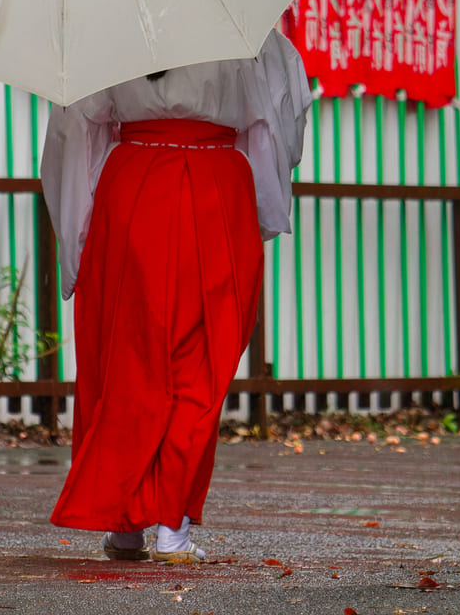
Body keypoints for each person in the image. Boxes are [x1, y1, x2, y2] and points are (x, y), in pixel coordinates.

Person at [39, 28, 310, 563]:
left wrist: (76, 237)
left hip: (134, 181)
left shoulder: (109, 26)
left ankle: (125, 523)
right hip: (217, 182)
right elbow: (280, 122)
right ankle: (173, 524)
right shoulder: (244, 27)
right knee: (203, 360)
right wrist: (264, 201)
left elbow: (74, 131)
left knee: (127, 357)